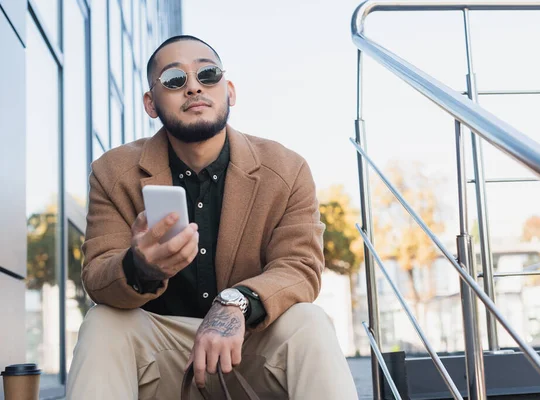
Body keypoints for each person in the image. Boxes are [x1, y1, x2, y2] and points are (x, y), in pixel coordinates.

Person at [66, 35, 359, 400]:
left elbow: (299, 267)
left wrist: (236, 303)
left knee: (310, 322)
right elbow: (97, 276)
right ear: (150, 103)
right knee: (102, 323)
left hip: (248, 351)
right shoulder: (113, 172)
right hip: (161, 357)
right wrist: (140, 266)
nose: (193, 87)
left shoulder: (287, 169)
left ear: (229, 91)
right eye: (174, 80)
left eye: (208, 74)